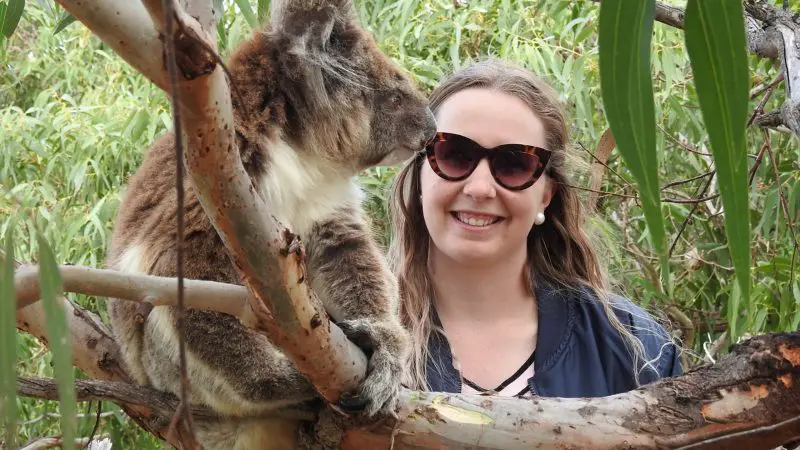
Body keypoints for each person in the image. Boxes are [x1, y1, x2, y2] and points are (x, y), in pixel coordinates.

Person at [386, 59, 682, 398]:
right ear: (421, 174)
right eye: (454, 153)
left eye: (514, 163)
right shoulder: (348, 339)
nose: (480, 188)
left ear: (546, 194)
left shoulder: (637, 353)